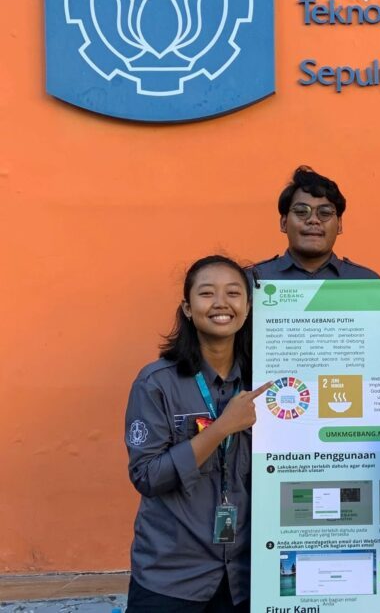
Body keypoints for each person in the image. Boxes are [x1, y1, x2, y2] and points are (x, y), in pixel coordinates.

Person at [124, 255, 272, 613]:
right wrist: (222, 428)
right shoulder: (156, 383)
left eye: (233, 293)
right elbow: (147, 476)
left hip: (245, 575)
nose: (221, 303)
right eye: (207, 293)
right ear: (188, 309)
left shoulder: (266, 384)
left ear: (248, 306)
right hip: (171, 574)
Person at [250, 166, 380, 281]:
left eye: (325, 213)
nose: (313, 220)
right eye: (302, 212)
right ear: (283, 223)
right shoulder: (253, 280)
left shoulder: (367, 282)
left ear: (339, 225)